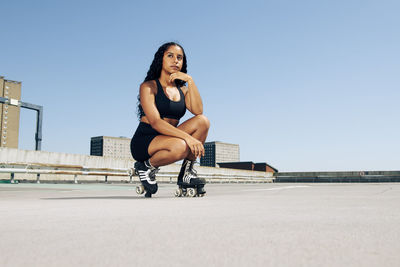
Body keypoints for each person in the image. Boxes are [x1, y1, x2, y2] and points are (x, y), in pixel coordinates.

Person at [130, 42, 210, 197]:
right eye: (170, 56)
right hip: (146, 140)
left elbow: (198, 111)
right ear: (161, 59)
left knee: (203, 121)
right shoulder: (149, 86)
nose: (175, 60)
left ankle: (187, 173)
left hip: (169, 137)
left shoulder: (183, 90)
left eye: (179, 57)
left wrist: (190, 81)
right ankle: (146, 166)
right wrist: (189, 138)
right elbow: (156, 122)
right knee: (181, 146)